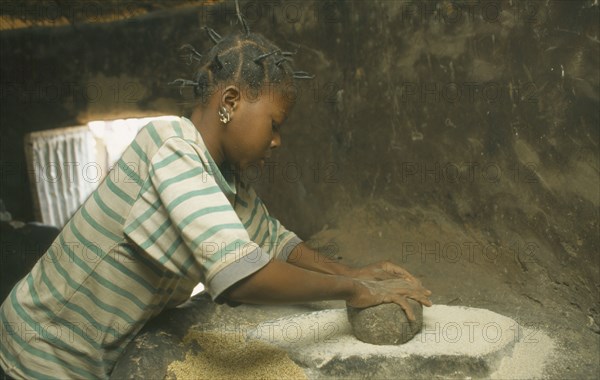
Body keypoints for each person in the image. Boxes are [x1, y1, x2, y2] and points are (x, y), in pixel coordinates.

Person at [0, 20, 432, 380]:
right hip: (39, 352)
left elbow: (278, 243)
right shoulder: (170, 145)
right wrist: (352, 290)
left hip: (92, 358)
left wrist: (352, 271)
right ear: (230, 102)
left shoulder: (227, 179)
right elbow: (243, 276)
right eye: (274, 124)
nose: (277, 141)